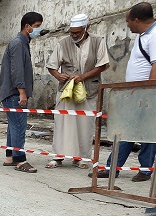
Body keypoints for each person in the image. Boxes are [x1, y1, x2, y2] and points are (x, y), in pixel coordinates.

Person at [97, 2, 156, 182]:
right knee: (126, 129)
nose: (127, 25)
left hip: (149, 92)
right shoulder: (144, 34)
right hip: (137, 92)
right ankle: (112, 168)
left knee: (148, 131)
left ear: (137, 20)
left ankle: (145, 169)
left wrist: (148, 93)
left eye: (128, 21)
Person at [45, 13, 109, 170]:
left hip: (89, 90)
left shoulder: (98, 41)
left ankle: (81, 157)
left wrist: (83, 76)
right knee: (63, 123)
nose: (73, 35)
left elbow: (102, 65)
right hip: (67, 91)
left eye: (77, 32)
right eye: (71, 32)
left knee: (85, 124)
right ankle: (58, 156)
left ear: (87, 28)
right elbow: (52, 65)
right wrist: (59, 75)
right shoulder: (63, 43)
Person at [0, 11, 44, 173]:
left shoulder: (22, 42)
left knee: (13, 125)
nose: (39, 29)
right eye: (37, 26)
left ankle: (10, 156)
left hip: (10, 92)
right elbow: (17, 71)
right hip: (14, 93)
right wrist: (22, 92)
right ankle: (20, 160)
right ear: (27, 26)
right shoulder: (18, 43)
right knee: (19, 126)